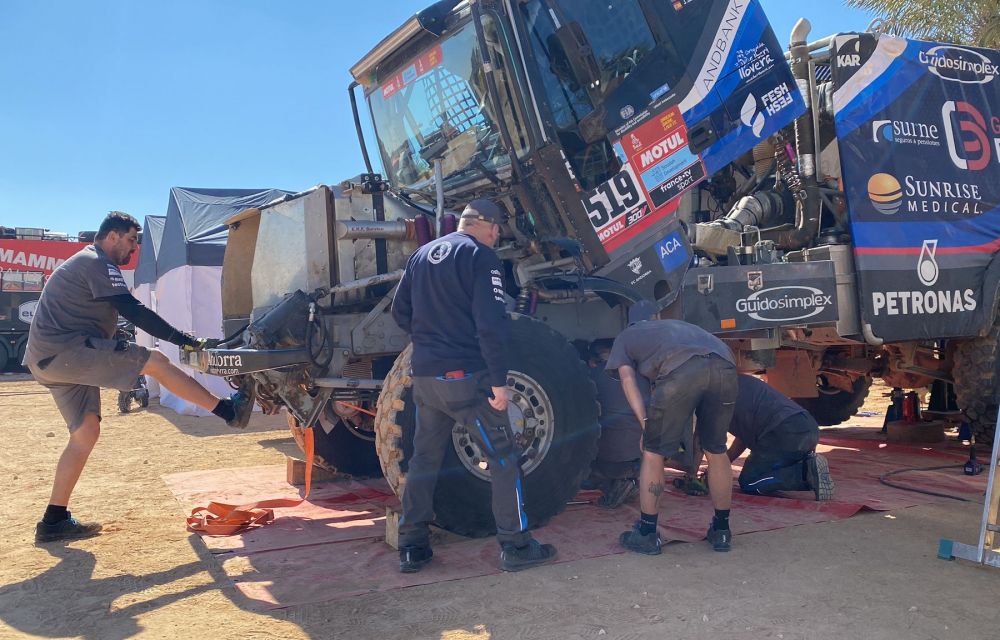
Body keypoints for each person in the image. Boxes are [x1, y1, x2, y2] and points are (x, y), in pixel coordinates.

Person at [24, 212, 253, 544]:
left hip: (48, 358)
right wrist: (186, 340)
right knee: (155, 361)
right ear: (112, 236)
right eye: (131, 240)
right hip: (67, 352)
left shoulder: (85, 262)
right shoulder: (96, 261)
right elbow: (134, 310)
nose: (134, 249)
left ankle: (53, 520)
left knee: (85, 432)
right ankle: (228, 411)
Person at [390, 199, 557, 573]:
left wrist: (431, 341)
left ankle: (412, 546)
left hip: (425, 377)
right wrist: (498, 382)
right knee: (504, 457)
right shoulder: (481, 257)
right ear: (488, 226)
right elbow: (490, 324)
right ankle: (516, 545)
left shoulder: (421, 255)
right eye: (497, 230)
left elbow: (400, 312)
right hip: (465, 378)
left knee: (424, 459)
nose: (496, 236)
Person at [606, 301, 738, 554]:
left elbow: (627, 380)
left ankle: (647, 533)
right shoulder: (679, 327)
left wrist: (646, 424)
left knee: (653, 452)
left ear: (631, 321)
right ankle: (722, 531)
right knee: (716, 449)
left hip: (681, 368)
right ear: (656, 316)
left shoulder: (626, 336)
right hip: (725, 365)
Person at [718, 374, 834, 500]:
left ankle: (804, 474)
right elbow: (743, 436)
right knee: (774, 464)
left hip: (784, 434)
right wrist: (724, 463)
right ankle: (805, 465)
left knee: (749, 482)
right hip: (809, 427)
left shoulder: (713, 398)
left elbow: (706, 443)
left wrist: (709, 471)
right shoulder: (740, 381)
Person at [586, 339, 644, 509]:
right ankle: (628, 479)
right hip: (641, 456)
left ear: (592, 361)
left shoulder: (591, 377)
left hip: (608, 460)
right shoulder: (640, 374)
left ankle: (613, 482)